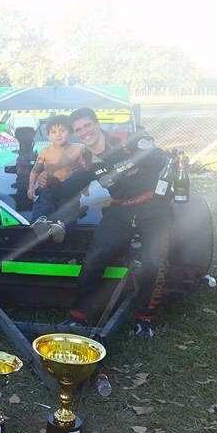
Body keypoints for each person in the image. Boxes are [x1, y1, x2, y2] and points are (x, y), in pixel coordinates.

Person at [52, 108, 172, 338]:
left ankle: (145, 319)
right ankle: (78, 315)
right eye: (78, 129)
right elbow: (68, 188)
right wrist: (48, 182)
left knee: (153, 261)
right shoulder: (86, 160)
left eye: (87, 125)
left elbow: (159, 159)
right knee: (94, 259)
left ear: (97, 124)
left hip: (153, 207)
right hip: (120, 209)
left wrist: (134, 161)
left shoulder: (128, 139)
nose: (85, 132)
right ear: (76, 134)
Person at [28, 115, 83, 241]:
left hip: (69, 188)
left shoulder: (79, 151)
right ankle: (40, 222)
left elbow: (86, 171)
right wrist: (31, 187)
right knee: (44, 201)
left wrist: (85, 188)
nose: (58, 134)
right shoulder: (45, 152)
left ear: (70, 132)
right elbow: (35, 171)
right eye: (53, 132)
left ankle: (60, 226)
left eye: (62, 131)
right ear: (48, 136)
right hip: (48, 186)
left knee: (69, 205)